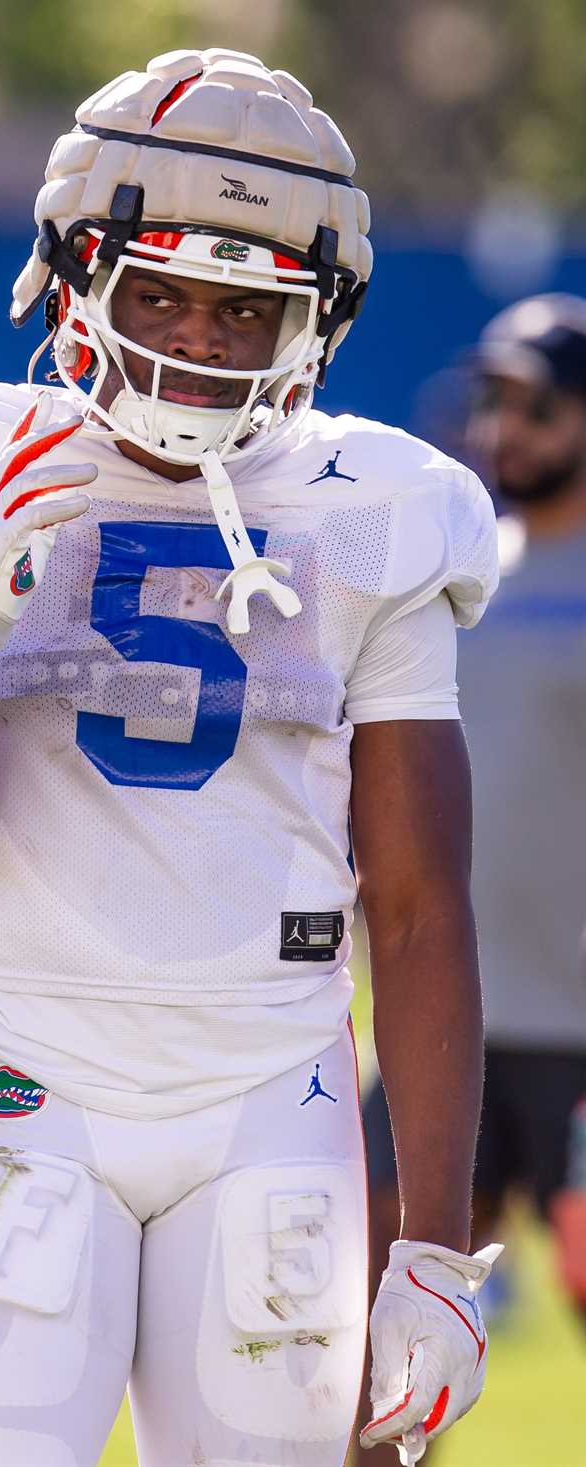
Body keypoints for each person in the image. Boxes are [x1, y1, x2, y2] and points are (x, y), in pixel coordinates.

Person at [0, 48, 504, 1467]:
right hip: (28, 1075)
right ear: (74, 280)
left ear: (317, 326)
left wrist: (432, 1242)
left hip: (274, 1094)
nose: (196, 340)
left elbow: (420, 905)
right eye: (161, 291)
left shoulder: (380, 505)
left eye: (247, 309)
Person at [360, 292, 586, 1463]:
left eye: (533, 403)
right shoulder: (458, 575)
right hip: (443, 1020)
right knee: (371, 1345)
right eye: (490, 398)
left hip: (578, 1028)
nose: (504, 427)